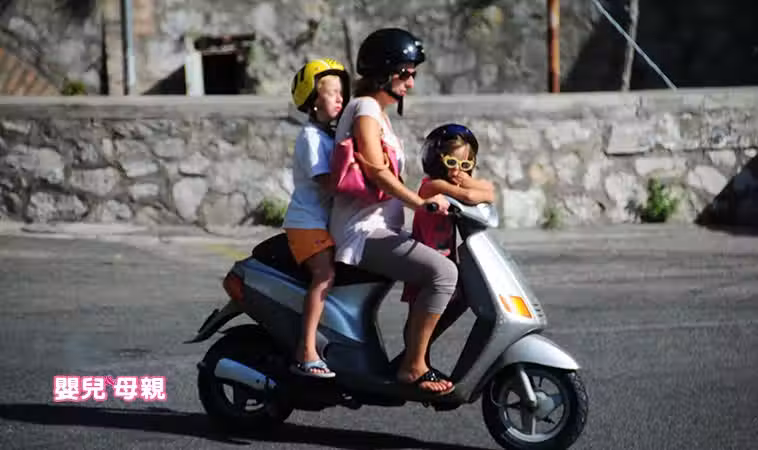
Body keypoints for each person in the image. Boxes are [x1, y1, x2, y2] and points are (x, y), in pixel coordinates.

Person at [329, 28, 457, 395]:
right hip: (363, 232)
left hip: (380, 228)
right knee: (443, 273)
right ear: (383, 72)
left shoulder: (377, 114)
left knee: (451, 268)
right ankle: (413, 367)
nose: (410, 83)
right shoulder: (366, 108)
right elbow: (375, 170)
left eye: (413, 74)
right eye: (405, 73)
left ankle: (413, 354)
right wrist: (420, 203)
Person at [399, 124, 496, 349]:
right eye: (451, 163)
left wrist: (469, 179)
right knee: (419, 314)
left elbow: (489, 190)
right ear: (436, 159)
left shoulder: (451, 183)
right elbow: (472, 195)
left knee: (461, 298)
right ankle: (413, 356)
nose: (456, 171)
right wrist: (470, 183)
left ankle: (418, 352)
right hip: (426, 259)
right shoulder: (433, 185)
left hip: (446, 258)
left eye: (464, 165)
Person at [283, 58, 350, 378]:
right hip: (306, 222)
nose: (340, 98)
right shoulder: (311, 137)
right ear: (312, 100)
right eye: (331, 92)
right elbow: (327, 181)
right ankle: (306, 350)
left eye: (341, 92)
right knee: (324, 276)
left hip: (319, 222)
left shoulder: (327, 136)